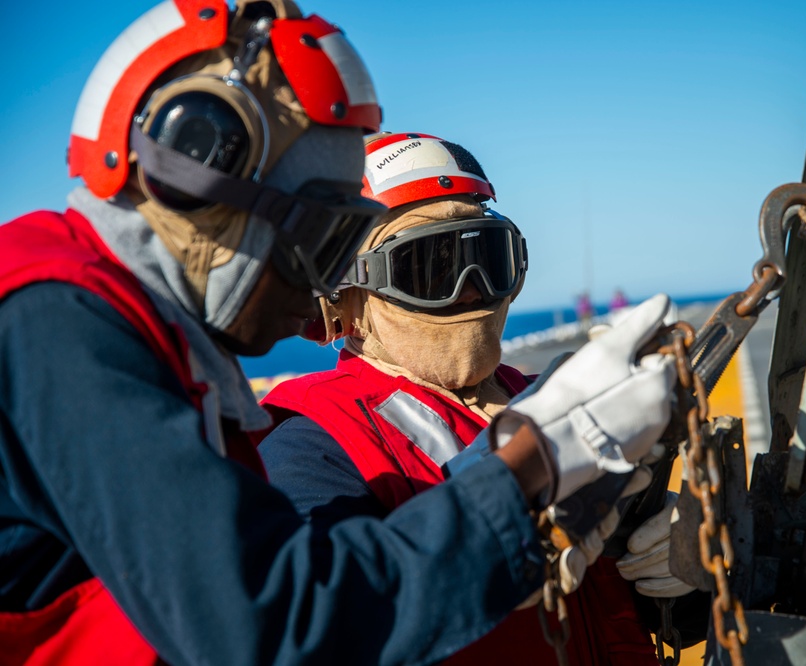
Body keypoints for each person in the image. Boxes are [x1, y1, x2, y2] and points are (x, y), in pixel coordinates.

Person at [0, 2, 678, 665]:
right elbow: (268, 627)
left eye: (491, 261)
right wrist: (532, 470)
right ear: (192, 180)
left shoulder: (165, 362)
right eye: (319, 239)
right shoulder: (58, 324)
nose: (313, 293)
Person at [258, 132, 692, 665]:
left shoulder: (549, 400)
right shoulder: (311, 443)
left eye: (488, 258)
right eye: (432, 268)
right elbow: (328, 628)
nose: (470, 288)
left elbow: (632, 613)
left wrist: (681, 571)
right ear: (348, 293)